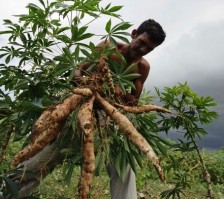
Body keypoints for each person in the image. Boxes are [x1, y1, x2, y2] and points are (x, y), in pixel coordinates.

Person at [14, 19, 166, 199]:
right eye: (141, 43)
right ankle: (6, 189)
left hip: (110, 116)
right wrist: (91, 84)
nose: (143, 50)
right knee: (46, 156)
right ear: (133, 34)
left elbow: (133, 101)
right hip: (83, 108)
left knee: (124, 166)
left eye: (149, 48)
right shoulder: (109, 47)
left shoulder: (142, 67)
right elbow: (77, 72)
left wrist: (121, 93)